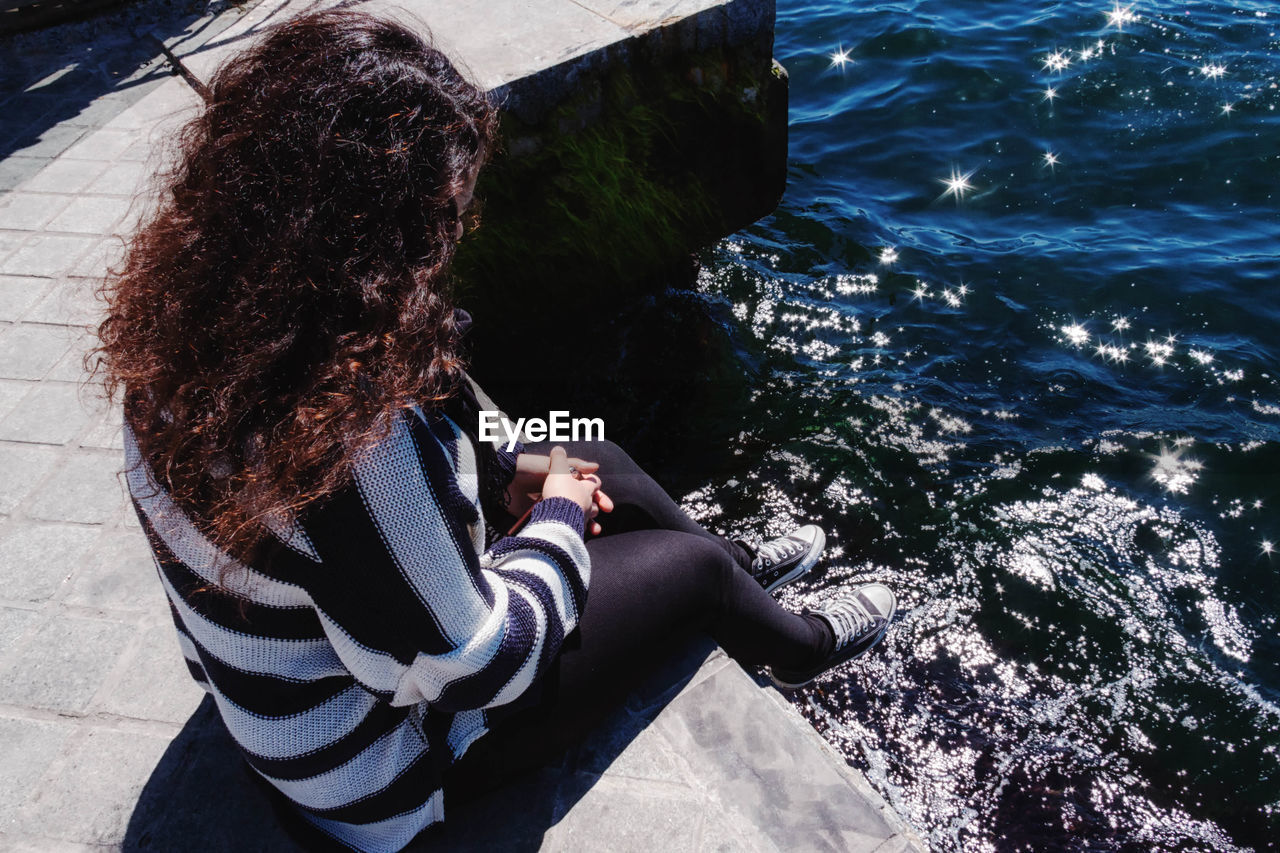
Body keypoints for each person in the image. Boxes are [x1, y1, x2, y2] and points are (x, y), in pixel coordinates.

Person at [93, 10, 897, 852]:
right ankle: (794, 639)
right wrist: (557, 516)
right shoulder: (345, 438)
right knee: (681, 567)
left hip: (278, 696)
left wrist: (516, 464)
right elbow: (480, 663)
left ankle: (742, 578)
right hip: (382, 774)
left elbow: (343, 545)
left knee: (594, 455)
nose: (453, 240)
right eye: (443, 220)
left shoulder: (188, 341)